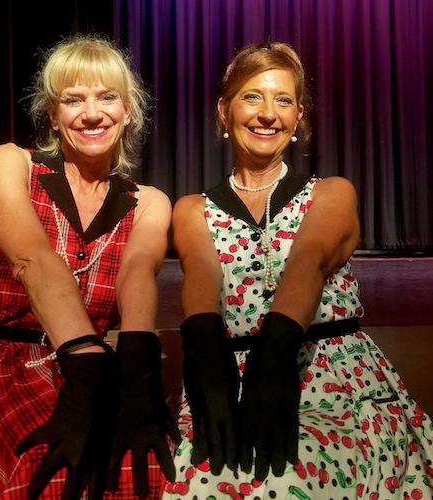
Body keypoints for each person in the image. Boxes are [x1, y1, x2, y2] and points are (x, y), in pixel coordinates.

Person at [165, 42, 433, 498]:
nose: (268, 113)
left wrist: (276, 350)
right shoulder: (193, 209)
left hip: (329, 378)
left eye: (283, 100)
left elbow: (308, 261)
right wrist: (207, 354)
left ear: (299, 118)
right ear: (224, 110)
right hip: (228, 378)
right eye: (252, 96)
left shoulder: (331, 193)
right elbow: (201, 276)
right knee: (197, 477)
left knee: (291, 478)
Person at [0, 34, 180, 499]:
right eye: (73, 99)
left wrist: (136, 369)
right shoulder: (11, 164)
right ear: (52, 114)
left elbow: (138, 272)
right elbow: (32, 259)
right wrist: (86, 367)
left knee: (136, 470)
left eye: (107, 97)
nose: (91, 113)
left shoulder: (148, 202)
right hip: (2, 366)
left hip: (93, 371)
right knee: (53, 476)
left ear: (128, 111)